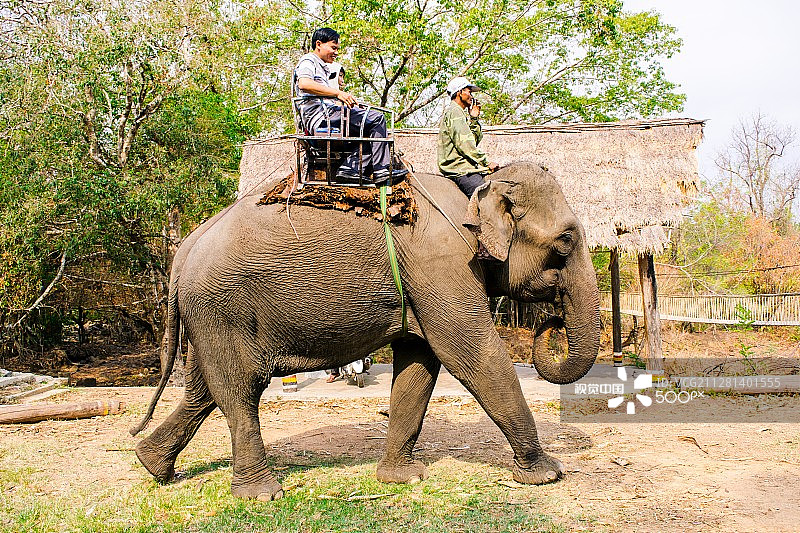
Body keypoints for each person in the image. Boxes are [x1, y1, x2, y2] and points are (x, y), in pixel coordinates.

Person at [294, 28, 403, 186]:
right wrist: (338, 93)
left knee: (369, 131)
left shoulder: (321, 66)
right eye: (333, 47)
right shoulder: (309, 60)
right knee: (377, 118)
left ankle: (350, 169)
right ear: (319, 44)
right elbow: (304, 83)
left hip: (327, 115)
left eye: (337, 49)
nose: (336, 52)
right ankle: (382, 169)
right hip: (322, 119)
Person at [437, 77, 499, 196]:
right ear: (460, 93)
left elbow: (472, 141)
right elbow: (465, 145)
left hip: (466, 168)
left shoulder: (459, 112)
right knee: (486, 198)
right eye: (469, 91)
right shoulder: (454, 112)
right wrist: (486, 162)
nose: (471, 96)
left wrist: (474, 119)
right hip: (459, 169)